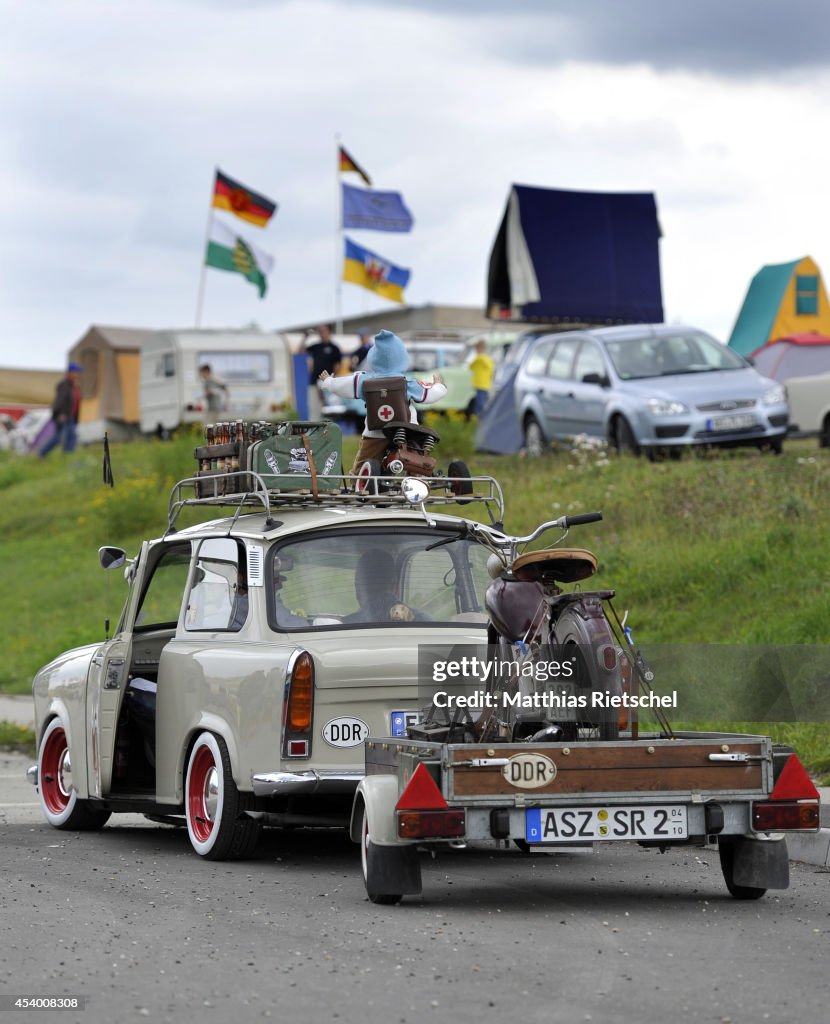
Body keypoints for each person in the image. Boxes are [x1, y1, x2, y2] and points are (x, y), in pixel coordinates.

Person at [318, 329, 447, 474]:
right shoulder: (407, 382)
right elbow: (429, 395)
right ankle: (417, 479)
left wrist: (328, 381)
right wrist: (439, 386)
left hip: (375, 432)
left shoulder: (363, 380)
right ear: (402, 358)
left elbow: (342, 386)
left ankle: (358, 482)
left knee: (362, 464)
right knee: (414, 458)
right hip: (406, 431)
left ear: (373, 358)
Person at [39, 362, 83, 456]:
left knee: (71, 437)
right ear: (70, 373)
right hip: (63, 416)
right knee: (59, 438)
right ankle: (42, 454)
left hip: (71, 417)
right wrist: (60, 414)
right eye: (77, 372)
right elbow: (60, 401)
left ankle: (66, 457)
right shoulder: (64, 385)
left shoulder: (74, 386)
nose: (78, 374)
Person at [302, 324, 343, 419]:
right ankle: (313, 430)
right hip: (314, 381)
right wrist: (304, 338)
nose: (322, 333)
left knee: (327, 408)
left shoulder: (334, 348)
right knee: (313, 407)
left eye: (324, 331)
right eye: (320, 331)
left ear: (329, 332)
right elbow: (301, 350)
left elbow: (337, 365)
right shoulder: (316, 346)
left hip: (327, 382)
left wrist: (331, 379)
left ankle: (327, 431)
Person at [468, 340, 495, 416]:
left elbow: (490, 367)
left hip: (483, 384)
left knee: (481, 403)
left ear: (482, 349)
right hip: (479, 384)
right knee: (479, 402)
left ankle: (481, 417)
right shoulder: (478, 359)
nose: (477, 351)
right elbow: (471, 367)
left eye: (478, 349)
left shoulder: (484, 358)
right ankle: (479, 417)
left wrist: (480, 357)